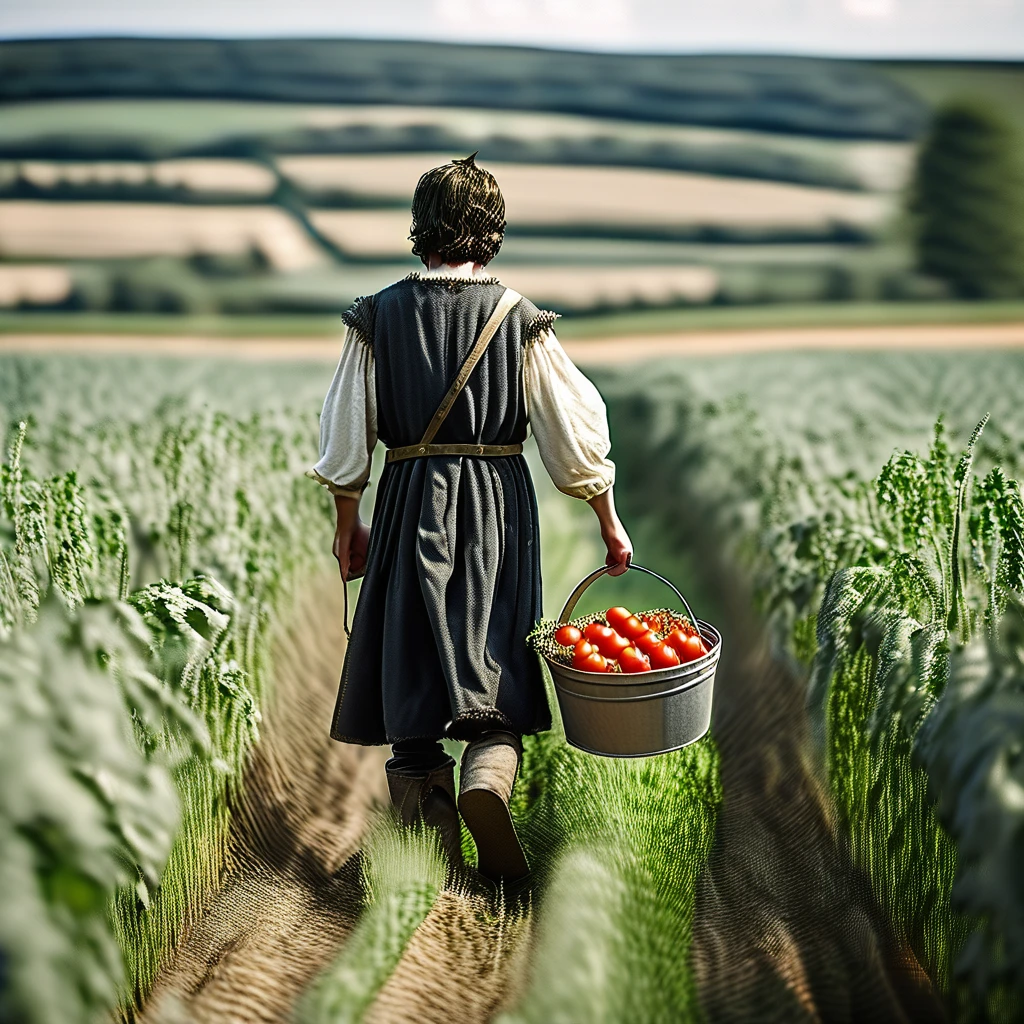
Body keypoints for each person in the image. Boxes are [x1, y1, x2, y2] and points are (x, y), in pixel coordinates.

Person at [308, 153, 632, 883]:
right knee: (493, 666)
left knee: (414, 665)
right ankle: (487, 777)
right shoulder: (520, 319)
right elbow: (574, 432)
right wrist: (608, 518)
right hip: (497, 509)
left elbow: (346, 429)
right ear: (493, 232)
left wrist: (346, 521)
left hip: (406, 498)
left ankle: (433, 846)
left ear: (420, 226)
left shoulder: (377, 315)